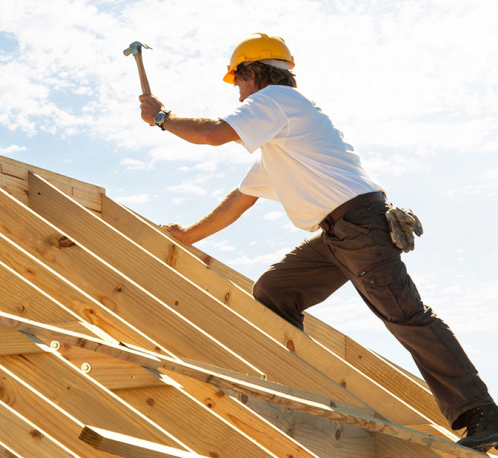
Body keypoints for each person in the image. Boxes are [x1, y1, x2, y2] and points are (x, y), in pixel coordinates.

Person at [138, 33, 498, 452]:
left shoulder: (276, 102)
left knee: (406, 317)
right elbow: (239, 201)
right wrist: (187, 237)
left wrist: (163, 118)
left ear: (253, 74)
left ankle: (483, 414)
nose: (238, 92)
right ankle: (300, 381)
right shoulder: (284, 140)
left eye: (237, 81)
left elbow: (214, 134)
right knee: (275, 290)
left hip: (358, 226)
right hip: (340, 233)